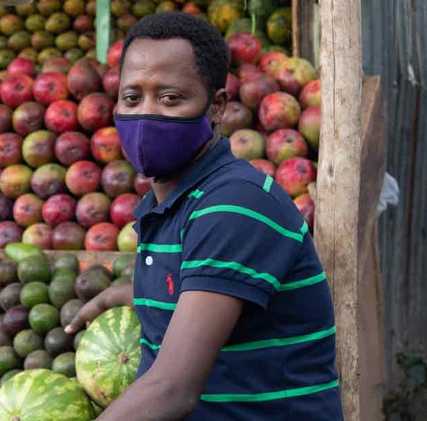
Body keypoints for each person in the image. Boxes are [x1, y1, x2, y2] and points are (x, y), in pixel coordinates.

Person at [64, 11, 343, 421]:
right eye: (132, 97)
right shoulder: (171, 203)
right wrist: (126, 295)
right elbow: (198, 291)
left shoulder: (236, 205)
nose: (146, 115)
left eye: (170, 98)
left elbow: (172, 390)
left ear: (215, 107)